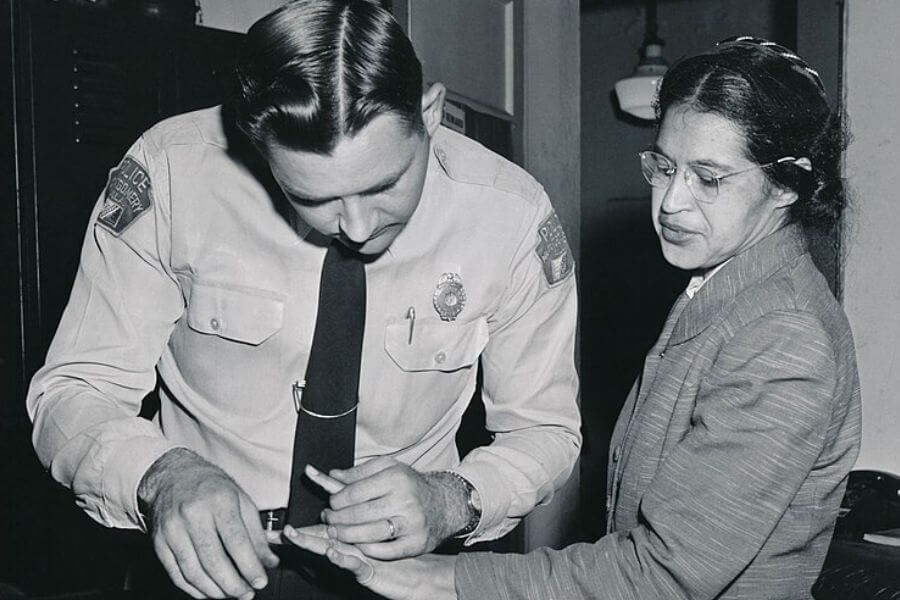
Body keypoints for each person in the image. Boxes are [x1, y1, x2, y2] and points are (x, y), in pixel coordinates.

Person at [25, 1, 581, 599]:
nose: (360, 227)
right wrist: (161, 477)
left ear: (431, 112)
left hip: (406, 573)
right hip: (205, 568)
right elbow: (72, 392)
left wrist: (452, 498)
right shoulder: (171, 173)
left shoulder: (511, 215)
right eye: (313, 198)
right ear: (254, 144)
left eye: (385, 184)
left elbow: (545, 429)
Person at [287, 36, 862, 600]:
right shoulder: (727, 290)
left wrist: (445, 579)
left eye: (708, 178)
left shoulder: (782, 334)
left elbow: (663, 574)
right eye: (664, 166)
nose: (671, 202)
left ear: (787, 184)